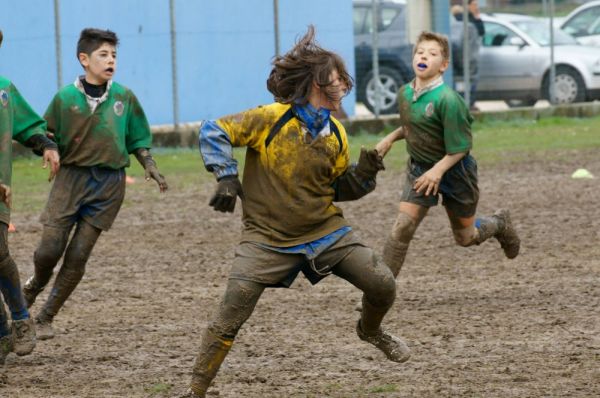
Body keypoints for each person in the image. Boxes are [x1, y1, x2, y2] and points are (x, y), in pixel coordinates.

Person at [183, 26, 409, 398]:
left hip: (326, 233)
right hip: (266, 240)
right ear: (316, 83)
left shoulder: (335, 131)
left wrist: (365, 172)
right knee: (230, 316)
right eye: (336, 79)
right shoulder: (271, 118)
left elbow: (337, 189)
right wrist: (225, 177)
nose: (342, 85)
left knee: (383, 283)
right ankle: (196, 390)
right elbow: (213, 130)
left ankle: (370, 331)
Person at [21, 28, 168, 340]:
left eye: (114, 55)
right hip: (71, 179)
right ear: (84, 59)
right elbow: (44, 133)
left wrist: (149, 163)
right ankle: (30, 291)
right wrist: (49, 149)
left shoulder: (124, 97)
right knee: (49, 251)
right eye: (104, 54)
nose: (111, 60)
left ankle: (46, 317)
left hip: (109, 185)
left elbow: (137, 138)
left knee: (77, 256)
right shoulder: (65, 98)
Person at [375, 31, 520, 282]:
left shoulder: (449, 101)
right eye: (420, 52)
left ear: (443, 65)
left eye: (432, 54)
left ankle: (499, 223)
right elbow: (414, 126)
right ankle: (377, 293)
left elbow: (460, 148)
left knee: (465, 238)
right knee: (402, 228)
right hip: (420, 170)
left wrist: (438, 171)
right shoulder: (404, 94)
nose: (424, 56)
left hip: (456, 171)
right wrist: (389, 139)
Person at [0, 28, 60, 381]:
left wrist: (46, 144)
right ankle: (5, 332)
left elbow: (27, 124)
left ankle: (19, 318)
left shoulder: (4, 88)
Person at [451, 0, 485, 111]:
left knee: (472, 80)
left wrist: (477, 17)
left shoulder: (473, 18)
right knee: (461, 81)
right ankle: (463, 103)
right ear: (467, 5)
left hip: (471, 56)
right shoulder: (461, 18)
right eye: (474, 4)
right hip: (460, 56)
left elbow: (481, 31)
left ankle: (470, 103)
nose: (476, 7)